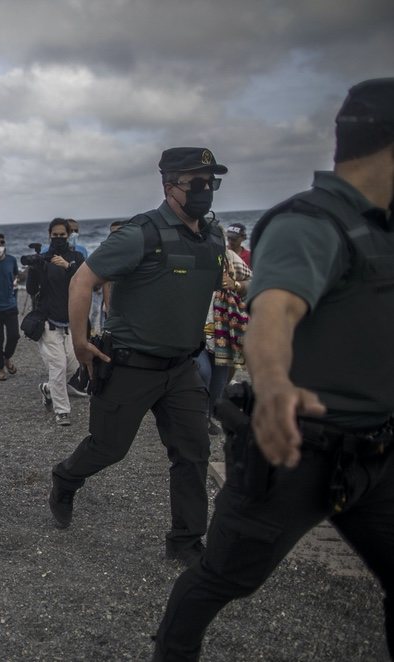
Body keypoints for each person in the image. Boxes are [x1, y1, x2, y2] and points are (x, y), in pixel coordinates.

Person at [153, 78, 394, 661]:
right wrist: (277, 385)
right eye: (199, 182)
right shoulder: (310, 223)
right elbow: (273, 311)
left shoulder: (382, 226)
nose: (208, 192)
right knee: (223, 578)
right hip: (295, 451)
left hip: (380, 453)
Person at [48, 147, 226, 566]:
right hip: (129, 365)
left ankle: (185, 540)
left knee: (192, 452)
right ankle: (66, 477)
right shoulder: (140, 232)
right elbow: (82, 279)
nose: (205, 191)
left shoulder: (213, 235)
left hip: (182, 367)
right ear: (169, 187)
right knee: (109, 448)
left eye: (210, 183)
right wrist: (80, 341)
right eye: (195, 183)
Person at [25, 218, 85, 426]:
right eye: (55, 234)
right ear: (49, 234)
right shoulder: (43, 259)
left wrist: (68, 267)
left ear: (69, 235)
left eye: (62, 235)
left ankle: (48, 389)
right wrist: (34, 267)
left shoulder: (77, 257)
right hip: (48, 321)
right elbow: (32, 290)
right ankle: (62, 411)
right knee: (58, 366)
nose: (58, 238)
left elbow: (84, 285)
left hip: (71, 321)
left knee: (74, 365)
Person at [196, 240, 251, 435]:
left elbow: (252, 283)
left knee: (219, 380)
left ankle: (207, 416)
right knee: (203, 372)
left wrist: (235, 284)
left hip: (224, 328)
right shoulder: (189, 257)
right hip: (194, 329)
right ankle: (197, 417)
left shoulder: (229, 258)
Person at [0, 233, 19, 381]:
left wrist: (13, 296)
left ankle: (7, 358)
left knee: (14, 335)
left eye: (2, 242)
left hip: (11, 306)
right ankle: (0, 368)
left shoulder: (11, 260)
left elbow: (15, 277)